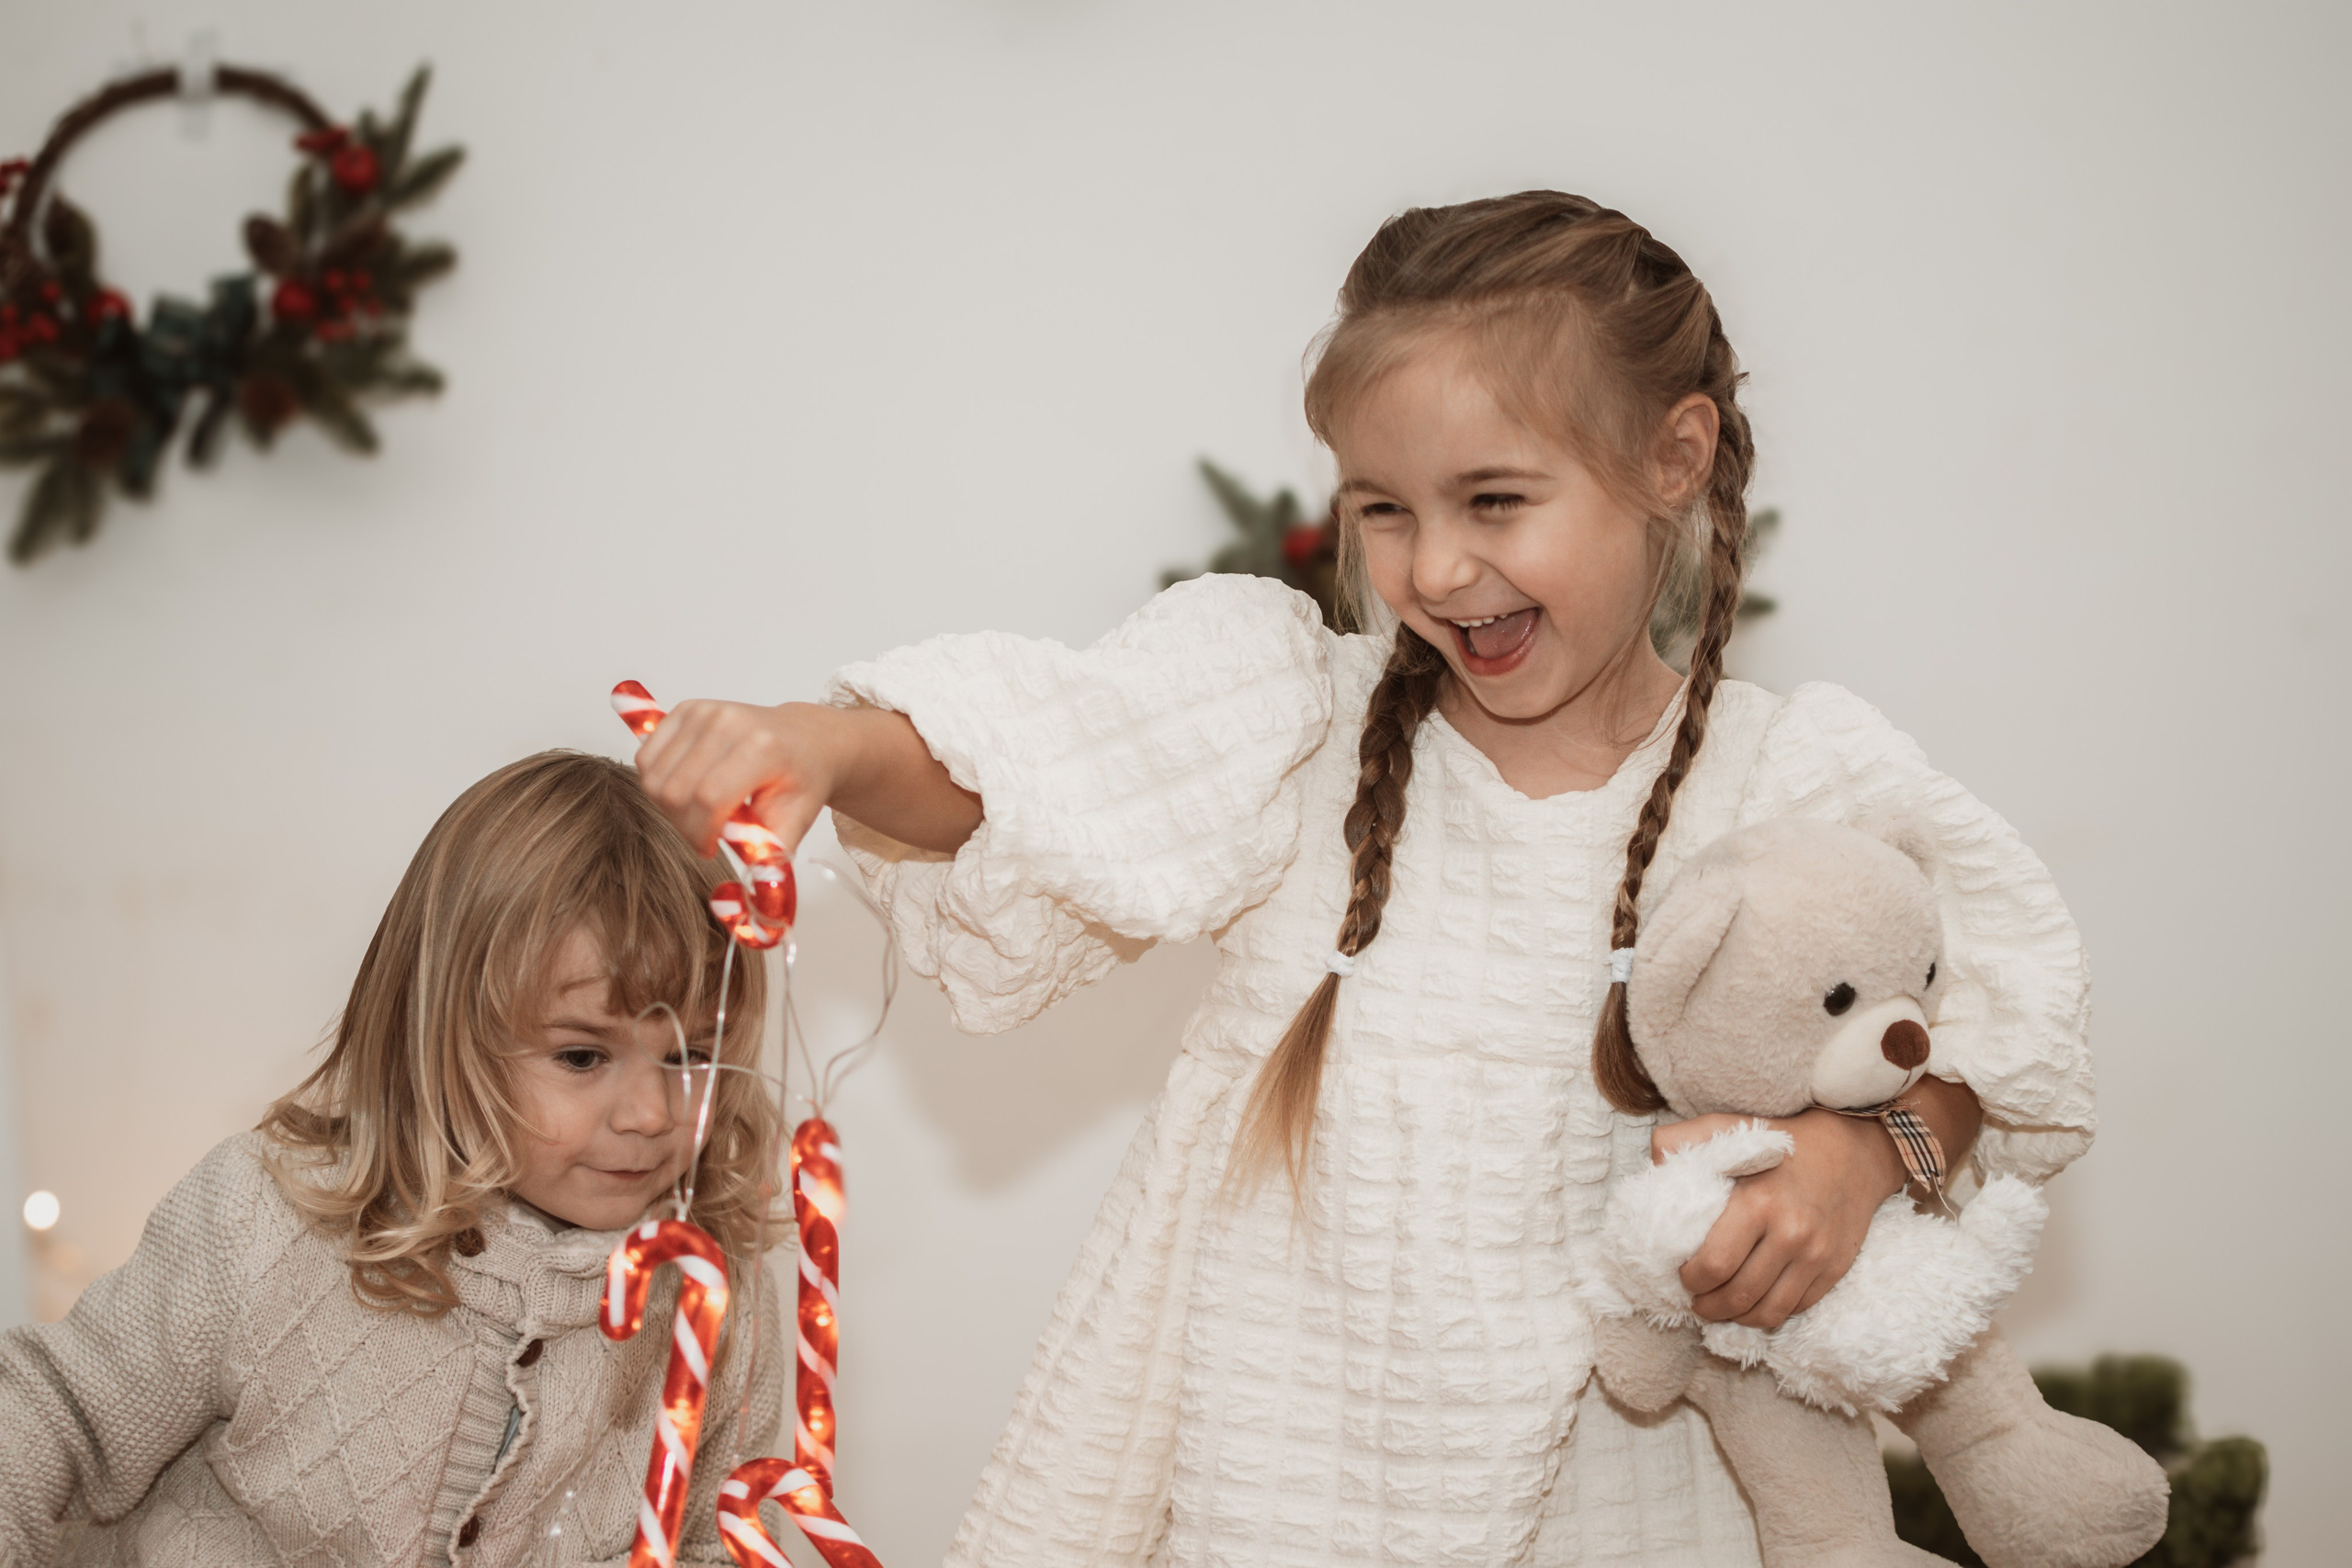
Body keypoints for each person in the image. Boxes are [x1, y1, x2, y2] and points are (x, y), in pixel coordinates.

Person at [633, 192, 2095, 1565]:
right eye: (1383, 508)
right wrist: (820, 744)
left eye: (1496, 499)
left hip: (1644, 1495)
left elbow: (1999, 1024)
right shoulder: (1298, 732)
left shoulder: (1793, 781)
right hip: (1293, 1485)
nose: (1438, 567)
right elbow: (1052, 768)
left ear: (1676, 456)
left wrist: (1866, 1154)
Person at [0, 751, 783, 1566]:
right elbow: (47, 1419)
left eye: (692, 1056)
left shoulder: (720, 1306)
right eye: (583, 1057)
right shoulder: (262, 1219)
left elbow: (718, 1542)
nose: (651, 1114)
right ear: (444, 1038)